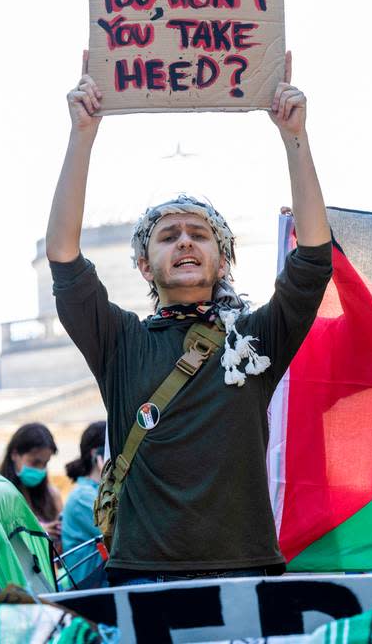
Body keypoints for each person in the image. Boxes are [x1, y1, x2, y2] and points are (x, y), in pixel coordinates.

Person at [47, 51, 332, 584]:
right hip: (141, 574)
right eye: (168, 235)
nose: (184, 242)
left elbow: (314, 260)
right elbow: (63, 258)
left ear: (222, 260)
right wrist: (83, 133)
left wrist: (295, 137)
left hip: (246, 572)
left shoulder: (255, 339)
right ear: (143, 263)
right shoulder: (120, 343)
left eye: (199, 234)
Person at [0, 423, 63, 542]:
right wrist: (34, 532)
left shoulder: (52, 495)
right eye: (35, 462)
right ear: (14, 454)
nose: (40, 469)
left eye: (45, 463)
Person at [59, 421, 106, 588]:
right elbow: (120, 532)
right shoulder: (83, 497)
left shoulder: (96, 492)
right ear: (98, 454)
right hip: (91, 591)